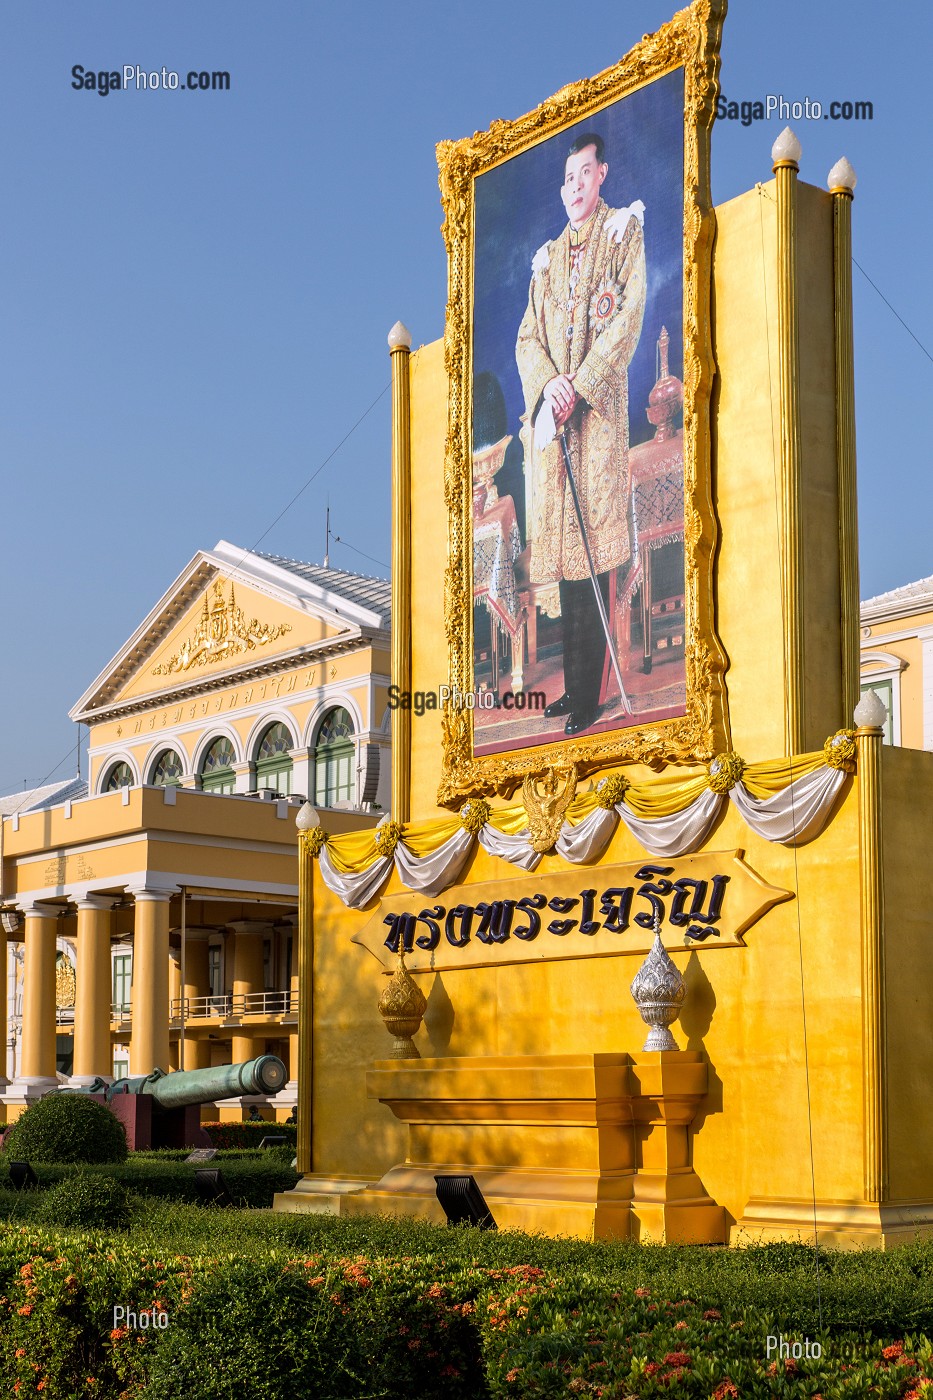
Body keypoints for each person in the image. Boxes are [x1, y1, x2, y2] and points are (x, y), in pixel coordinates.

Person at [516, 131, 646, 735]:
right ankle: (573, 687)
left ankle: (593, 691)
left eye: (584, 174)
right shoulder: (546, 260)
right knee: (567, 561)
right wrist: (550, 386)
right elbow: (527, 340)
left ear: (602, 175)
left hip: (596, 421)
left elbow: (629, 316)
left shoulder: (623, 232)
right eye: (567, 178)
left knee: (593, 553)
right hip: (558, 419)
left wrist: (581, 384)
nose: (574, 187)